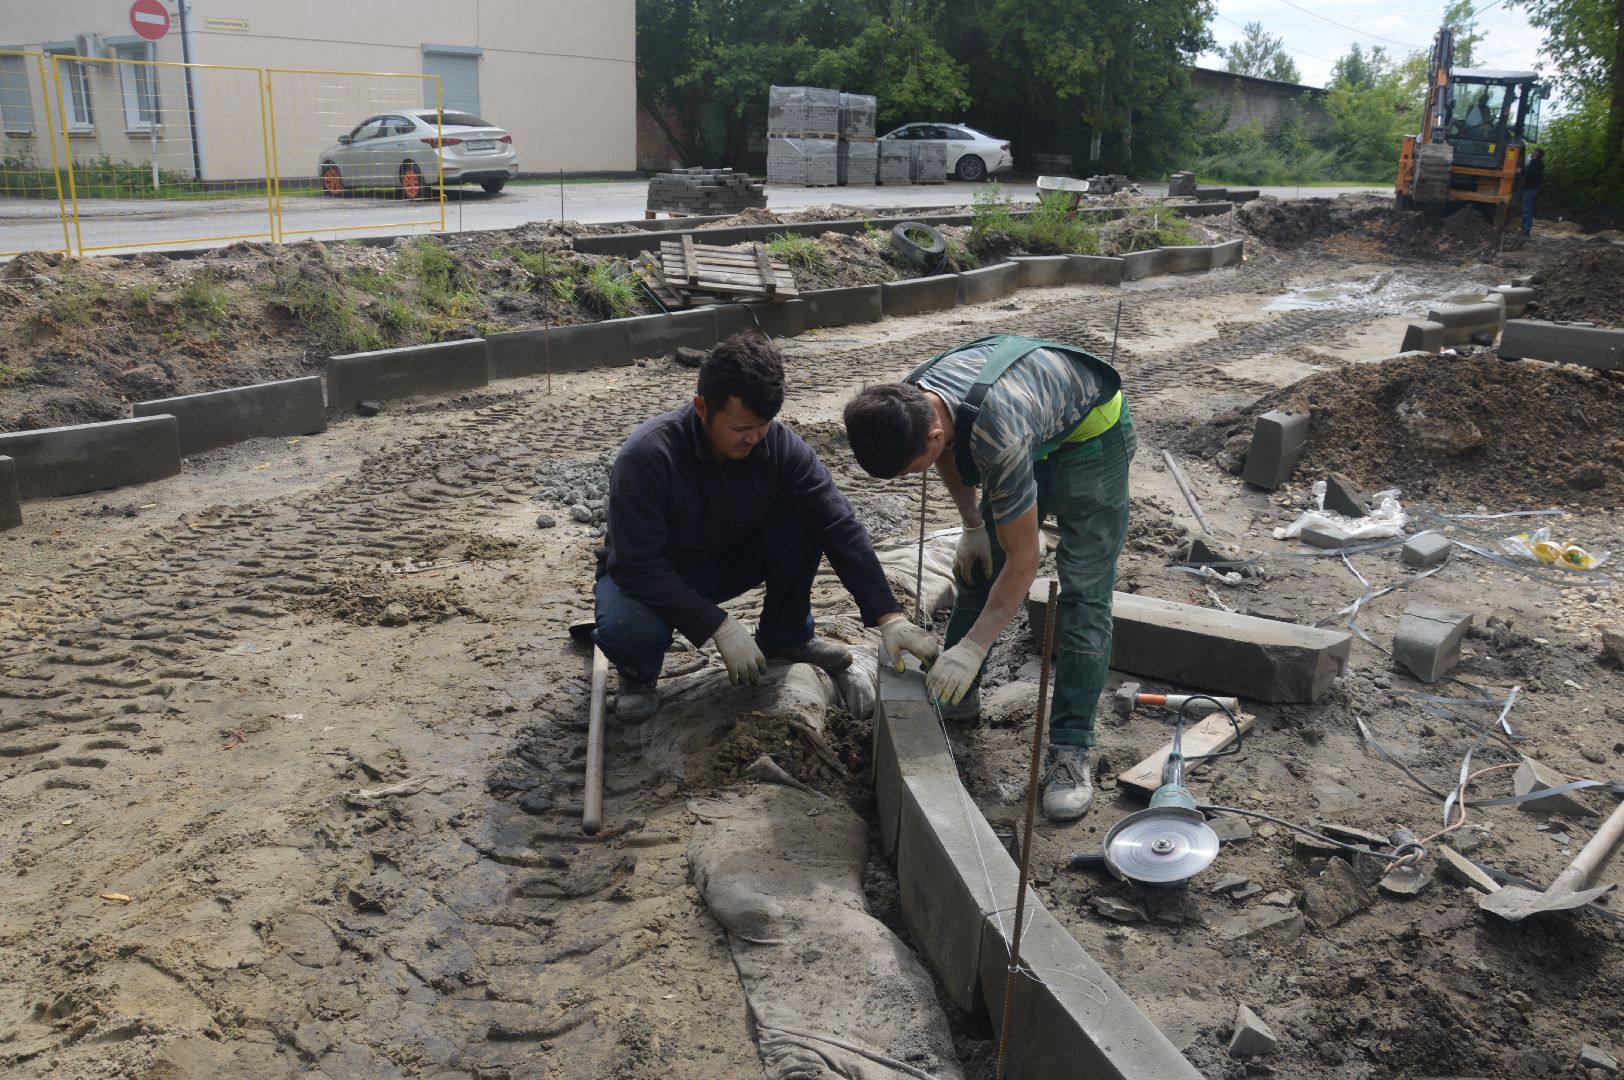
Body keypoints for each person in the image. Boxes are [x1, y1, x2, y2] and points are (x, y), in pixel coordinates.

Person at [842, 335, 1134, 823]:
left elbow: (1026, 561)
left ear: (930, 435)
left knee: (1083, 597)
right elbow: (951, 453)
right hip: (1027, 426)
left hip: (1091, 442)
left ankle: (1069, 750)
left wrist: (974, 647)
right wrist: (973, 526)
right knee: (979, 570)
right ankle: (953, 698)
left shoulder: (1000, 435)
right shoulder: (914, 397)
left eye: (912, 469)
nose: (919, 472)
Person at [593, 332, 938, 720]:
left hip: (726, 562)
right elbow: (635, 565)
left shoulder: (777, 445)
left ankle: (784, 637)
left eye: (763, 425)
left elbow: (839, 523)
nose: (754, 438)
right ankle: (637, 676)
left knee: (805, 518)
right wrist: (718, 626)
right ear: (702, 407)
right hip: (651, 575)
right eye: (741, 429)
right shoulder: (648, 456)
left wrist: (888, 616)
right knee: (627, 628)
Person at [1520, 146, 1544, 236]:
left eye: (1534, 152)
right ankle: (1524, 228)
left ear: (1537, 154)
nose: (1532, 153)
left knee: (1527, 209)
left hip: (1530, 189)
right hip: (1532, 189)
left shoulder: (1535, 163)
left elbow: (1531, 174)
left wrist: (1520, 172)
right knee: (1527, 209)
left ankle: (1526, 229)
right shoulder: (1539, 163)